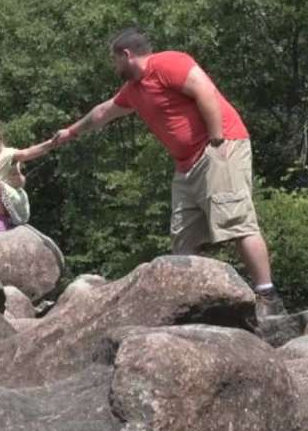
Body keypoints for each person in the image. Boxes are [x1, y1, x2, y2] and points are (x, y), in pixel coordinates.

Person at [50, 28, 286, 317]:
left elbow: (205, 92)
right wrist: (71, 132)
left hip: (220, 147)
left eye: (115, 61)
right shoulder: (134, 90)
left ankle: (267, 296)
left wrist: (216, 140)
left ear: (127, 55)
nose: (114, 67)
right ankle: (193, 305)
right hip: (186, 165)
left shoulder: (168, 63)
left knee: (237, 220)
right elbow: (103, 112)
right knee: (183, 238)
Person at [0, 122, 57, 228]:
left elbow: (28, 153)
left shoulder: (8, 154)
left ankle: (0, 218)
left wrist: (51, 143)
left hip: (14, 201)